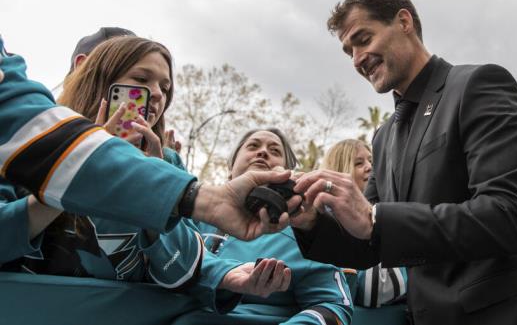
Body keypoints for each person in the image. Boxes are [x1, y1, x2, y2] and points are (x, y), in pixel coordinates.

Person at [288, 0, 517, 324]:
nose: (358, 59)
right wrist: (311, 221)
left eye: (363, 39)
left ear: (404, 21)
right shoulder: (383, 137)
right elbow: (365, 246)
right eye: (349, 52)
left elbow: (508, 217)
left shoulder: (479, 84)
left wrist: (376, 219)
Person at [0, 36, 290, 306]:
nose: (155, 94)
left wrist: (154, 200)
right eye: (140, 80)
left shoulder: (168, 165)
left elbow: (179, 269)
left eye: (165, 88)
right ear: (100, 81)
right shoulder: (27, 144)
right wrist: (80, 170)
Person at [193, 129, 352, 325]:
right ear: (230, 168)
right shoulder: (191, 214)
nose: (262, 152)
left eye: (275, 151)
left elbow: (332, 307)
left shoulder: (306, 233)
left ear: (285, 174)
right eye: (253, 146)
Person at [320, 139, 407, 308]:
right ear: (339, 171)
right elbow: (377, 291)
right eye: (359, 163)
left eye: (372, 161)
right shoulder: (329, 221)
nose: (370, 167)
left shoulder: (383, 211)